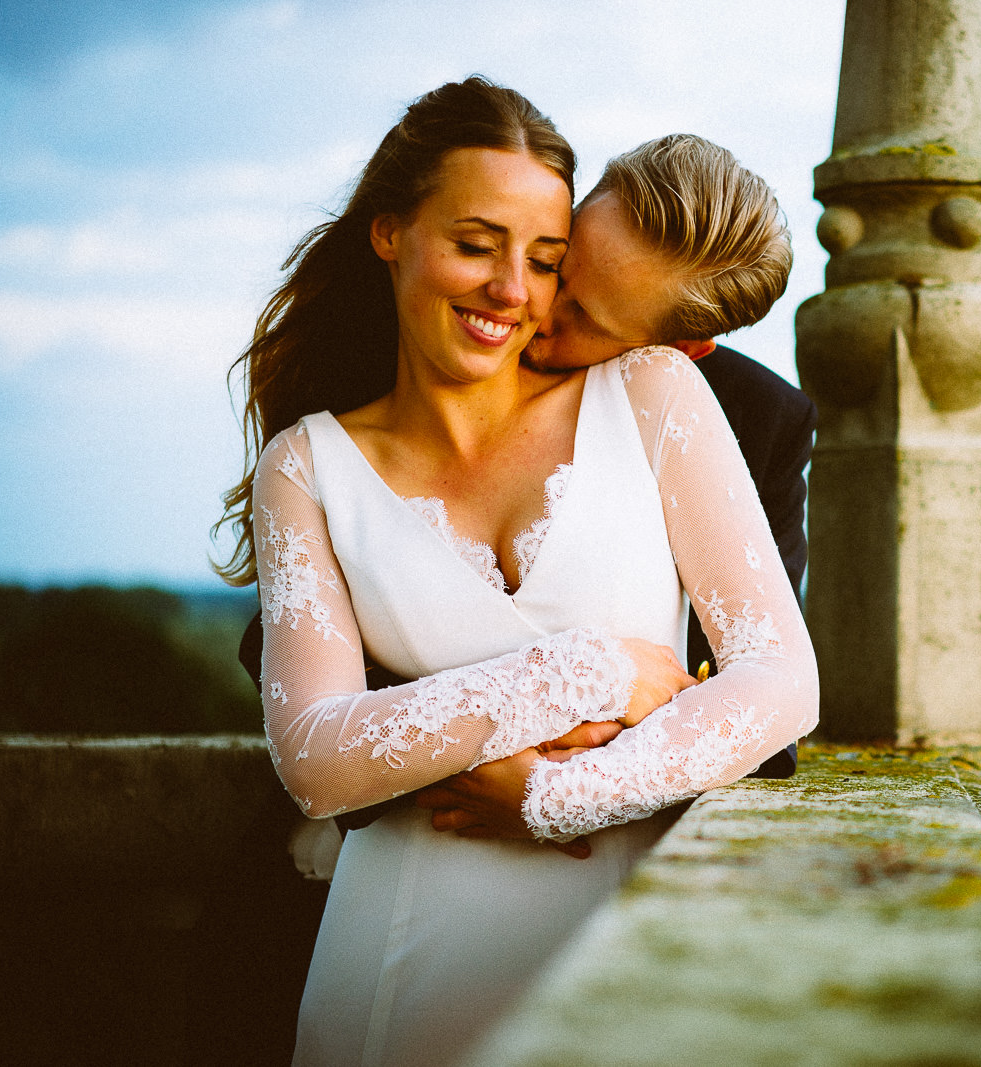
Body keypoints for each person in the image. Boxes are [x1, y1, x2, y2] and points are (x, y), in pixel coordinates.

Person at [213, 77, 818, 1065]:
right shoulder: (362, 387)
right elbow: (302, 699)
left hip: (616, 905)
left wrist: (549, 796)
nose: (524, 305)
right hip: (390, 902)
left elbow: (769, 687)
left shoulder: (690, 400)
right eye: (552, 255)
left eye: (573, 303)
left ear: (678, 341)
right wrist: (574, 678)